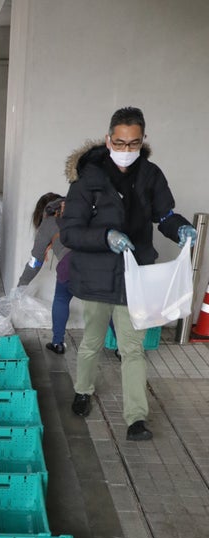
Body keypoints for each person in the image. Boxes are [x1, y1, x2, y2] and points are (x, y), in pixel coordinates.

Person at [59, 106, 196, 442]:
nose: (125, 150)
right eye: (119, 143)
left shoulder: (150, 175)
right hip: (96, 277)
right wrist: (104, 236)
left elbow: (164, 215)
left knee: (132, 348)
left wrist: (179, 228)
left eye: (132, 144)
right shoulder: (87, 179)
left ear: (142, 140)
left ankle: (136, 418)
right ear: (108, 139)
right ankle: (82, 390)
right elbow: (70, 233)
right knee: (91, 341)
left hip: (134, 277)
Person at [17, 192, 72, 354]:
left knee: (61, 298)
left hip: (70, 263)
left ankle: (58, 343)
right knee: (104, 304)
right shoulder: (78, 211)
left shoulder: (48, 222)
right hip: (98, 261)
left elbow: (35, 262)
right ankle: (121, 346)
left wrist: (20, 286)